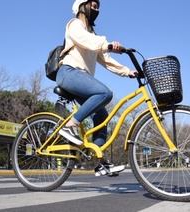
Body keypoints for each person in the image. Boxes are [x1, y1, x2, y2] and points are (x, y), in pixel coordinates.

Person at [56, 0, 138, 176]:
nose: (96, 8)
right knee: (104, 93)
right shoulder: (74, 25)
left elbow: (106, 59)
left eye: (98, 6)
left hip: (81, 79)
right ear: (82, 6)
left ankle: (99, 162)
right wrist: (106, 43)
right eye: (92, 4)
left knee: (101, 115)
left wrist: (127, 71)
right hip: (68, 73)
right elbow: (89, 41)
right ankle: (70, 126)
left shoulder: (92, 34)